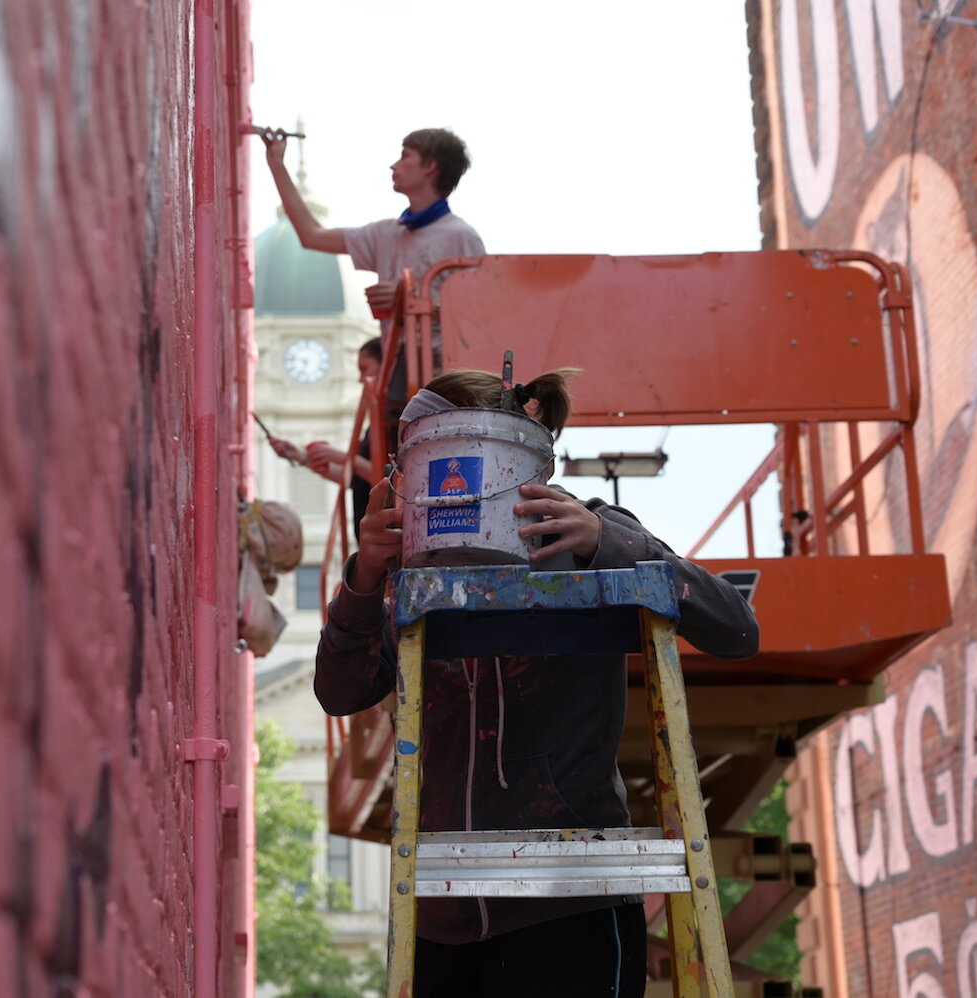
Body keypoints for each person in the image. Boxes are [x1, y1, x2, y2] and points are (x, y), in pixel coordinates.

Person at [314, 368, 760, 998]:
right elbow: (338, 692)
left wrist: (607, 542)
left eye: (432, 456)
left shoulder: (590, 529)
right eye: (410, 461)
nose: (418, 481)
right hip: (443, 911)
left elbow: (737, 630)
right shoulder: (409, 575)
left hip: (569, 898)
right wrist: (363, 579)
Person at [263, 128, 486, 450]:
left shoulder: (461, 237)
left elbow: (480, 316)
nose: (394, 165)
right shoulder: (386, 234)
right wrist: (276, 165)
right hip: (399, 371)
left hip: (446, 371)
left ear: (430, 167)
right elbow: (311, 235)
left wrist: (408, 302)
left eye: (405, 156)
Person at [267, 338, 384, 537]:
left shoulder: (390, 424)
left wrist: (342, 457)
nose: (360, 379)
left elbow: (385, 479)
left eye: (364, 369)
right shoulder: (374, 427)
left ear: (385, 367)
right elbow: (357, 479)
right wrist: (302, 458)